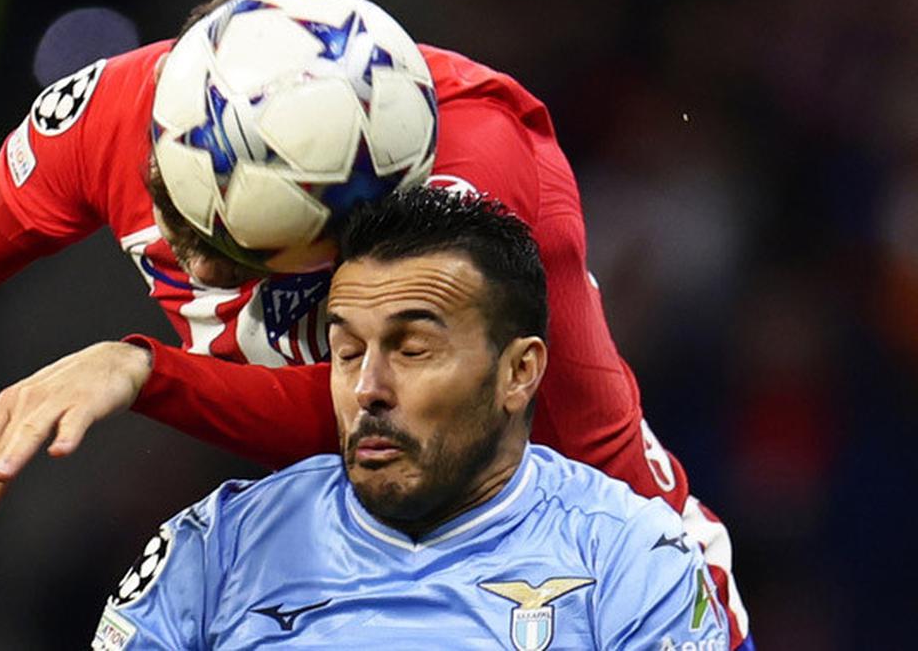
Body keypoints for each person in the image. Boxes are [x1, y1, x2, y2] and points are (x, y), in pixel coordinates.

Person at [0, 0, 749, 646]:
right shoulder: (115, 109)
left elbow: (389, 404)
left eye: (236, 250)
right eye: (173, 209)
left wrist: (143, 366)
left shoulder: (472, 168)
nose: (186, 254)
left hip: (573, 549)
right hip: (342, 540)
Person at [93, 188, 730, 650]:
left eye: (413, 350)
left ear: (519, 372)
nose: (367, 388)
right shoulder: (218, 548)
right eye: (346, 353)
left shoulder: (629, 556)